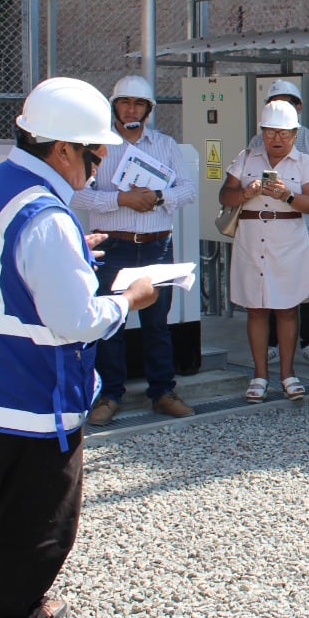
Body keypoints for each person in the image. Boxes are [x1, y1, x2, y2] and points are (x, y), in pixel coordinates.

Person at [0, 76, 157, 618]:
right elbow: (76, 321)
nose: (99, 163)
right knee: (40, 523)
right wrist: (130, 299)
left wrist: (68, 251)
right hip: (29, 392)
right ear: (62, 149)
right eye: (94, 153)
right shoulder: (46, 218)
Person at [75, 75, 197, 426]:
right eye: (125, 102)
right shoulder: (98, 145)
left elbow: (188, 189)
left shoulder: (165, 145)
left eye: (139, 104)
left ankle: (163, 392)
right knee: (109, 322)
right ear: (114, 107)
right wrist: (121, 199)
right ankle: (110, 395)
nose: (132, 109)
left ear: (148, 109)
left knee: (157, 324)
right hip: (113, 244)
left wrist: (158, 197)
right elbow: (77, 193)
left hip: (156, 245)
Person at [221, 100, 309, 403]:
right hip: (252, 237)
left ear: (294, 134)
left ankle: (288, 374)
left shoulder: (304, 162)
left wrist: (288, 195)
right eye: (270, 132)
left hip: (288, 239)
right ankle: (259, 375)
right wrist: (245, 192)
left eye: (284, 133)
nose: (276, 139)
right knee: (256, 307)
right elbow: (225, 195)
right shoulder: (246, 157)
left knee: (288, 308)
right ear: (262, 132)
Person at [249, 79, 309, 367]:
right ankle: (273, 343)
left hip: (304, 226)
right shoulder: (256, 142)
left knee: (307, 284)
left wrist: (289, 189)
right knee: (270, 282)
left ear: (298, 107)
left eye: (287, 103)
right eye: (274, 104)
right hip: (267, 226)